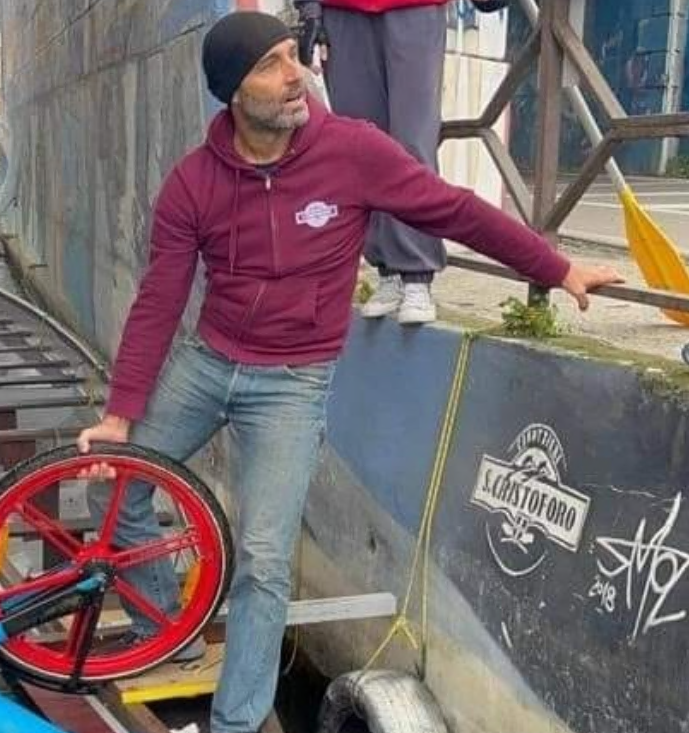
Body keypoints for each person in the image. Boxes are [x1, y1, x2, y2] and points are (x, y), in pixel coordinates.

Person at [77, 12, 621, 733]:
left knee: (265, 564)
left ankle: (234, 724)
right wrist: (119, 413)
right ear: (233, 93)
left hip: (292, 384)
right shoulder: (192, 185)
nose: (294, 73)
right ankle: (166, 624)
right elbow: (157, 302)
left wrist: (557, 268)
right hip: (206, 364)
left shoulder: (351, 152)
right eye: (270, 65)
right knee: (114, 487)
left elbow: (456, 211)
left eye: (291, 55)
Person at [294, 0, 505, 325]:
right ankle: (387, 269)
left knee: (412, 139)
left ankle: (416, 273)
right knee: (361, 147)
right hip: (343, 11)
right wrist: (310, 11)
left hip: (415, 8)